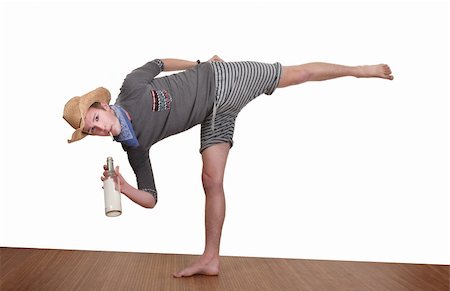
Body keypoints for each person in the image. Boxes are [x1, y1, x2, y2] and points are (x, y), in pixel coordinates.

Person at [63, 55, 394, 277]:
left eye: (96, 119)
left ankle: (361, 70)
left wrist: (199, 62)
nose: (100, 128)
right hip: (214, 115)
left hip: (223, 78)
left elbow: (158, 62)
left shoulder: (132, 87)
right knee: (211, 180)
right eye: (92, 130)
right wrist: (123, 187)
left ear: (103, 106)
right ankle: (211, 258)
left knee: (298, 75)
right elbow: (151, 198)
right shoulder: (135, 146)